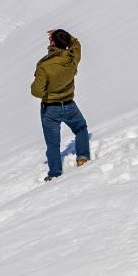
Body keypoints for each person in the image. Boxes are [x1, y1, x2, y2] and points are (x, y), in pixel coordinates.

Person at [30, 28, 91, 182]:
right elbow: (76, 44)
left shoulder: (44, 65)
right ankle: (82, 157)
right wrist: (64, 35)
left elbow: (36, 92)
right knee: (81, 128)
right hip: (69, 105)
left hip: (50, 109)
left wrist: (49, 95)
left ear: (52, 42)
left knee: (53, 144)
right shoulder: (72, 59)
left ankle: (55, 173)